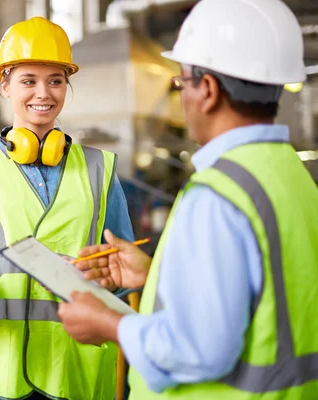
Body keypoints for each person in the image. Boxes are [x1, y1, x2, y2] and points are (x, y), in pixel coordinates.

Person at [58, 0, 318, 398]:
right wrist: (156, 275)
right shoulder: (293, 176)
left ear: (208, 90)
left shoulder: (218, 195)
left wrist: (111, 323)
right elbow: (270, 289)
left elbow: (199, 351)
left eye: (181, 83)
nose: (181, 97)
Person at [0, 16, 135, 400]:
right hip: (2, 373)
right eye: (29, 80)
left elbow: (123, 268)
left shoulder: (100, 169)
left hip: (78, 365)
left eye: (56, 80)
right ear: (4, 86)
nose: (44, 92)